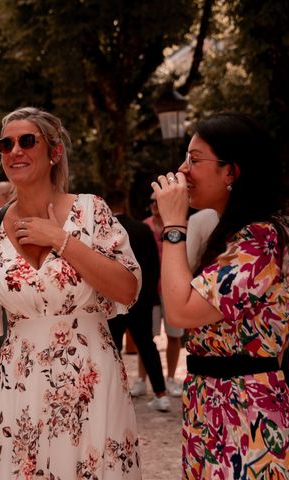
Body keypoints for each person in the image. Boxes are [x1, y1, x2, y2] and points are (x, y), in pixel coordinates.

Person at [0, 107, 142, 478]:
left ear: (54, 152)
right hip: (18, 376)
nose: (14, 151)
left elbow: (127, 288)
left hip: (89, 374)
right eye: (6, 144)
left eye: (26, 141)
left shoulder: (91, 211)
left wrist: (61, 241)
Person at [152, 112, 289, 478]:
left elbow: (180, 312)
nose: (182, 170)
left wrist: (175, 225)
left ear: (231, 172)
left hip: (246, 411)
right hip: (214, 405)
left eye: (195, 160)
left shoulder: (260, 239)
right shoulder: (237, 235)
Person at [105, 190, 170, 412]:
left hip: (112, 300)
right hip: (141, 300)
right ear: (124, 202)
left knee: (111, 348)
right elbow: (153, 266)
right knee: (147, 346)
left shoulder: (105, 231)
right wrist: (150, 296)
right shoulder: (143, 228)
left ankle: (112, 395)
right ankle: (161, 394)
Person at [138, 191, 183, 397]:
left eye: (158, 201)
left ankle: (171, 378)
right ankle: (141, 379)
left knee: (174, 336)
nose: (155, 204)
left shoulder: (177, 226)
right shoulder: (144, 226)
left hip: (173, 290)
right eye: (152, 201)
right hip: (150, 291)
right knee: (147, 337)